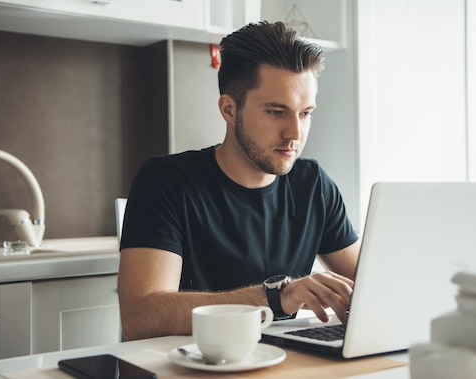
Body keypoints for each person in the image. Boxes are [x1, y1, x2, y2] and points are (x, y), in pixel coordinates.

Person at [118, 21, 361, 341]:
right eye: (277, 112)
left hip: (282, 364)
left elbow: (370, 283)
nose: (295, 134)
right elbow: (141, 315)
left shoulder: (313, 184)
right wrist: (278, 297)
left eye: (305, 113)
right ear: (229, 109)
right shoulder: (165, 182)